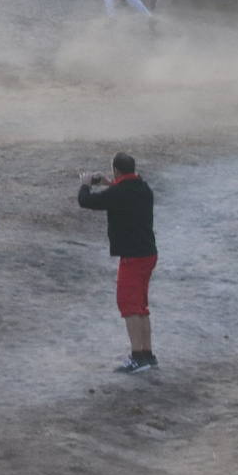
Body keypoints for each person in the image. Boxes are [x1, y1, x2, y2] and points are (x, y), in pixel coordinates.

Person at [77, 153, 158, 373]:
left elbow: (85, 201)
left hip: (133, 257)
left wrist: (85, 184)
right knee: (141, 306)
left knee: (130, 307)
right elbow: (124, 193)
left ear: (116, 170)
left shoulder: (118, 193)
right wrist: (109, 183)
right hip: (149, 254)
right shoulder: (144, 188)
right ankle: (148, 355)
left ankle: (138, 357)